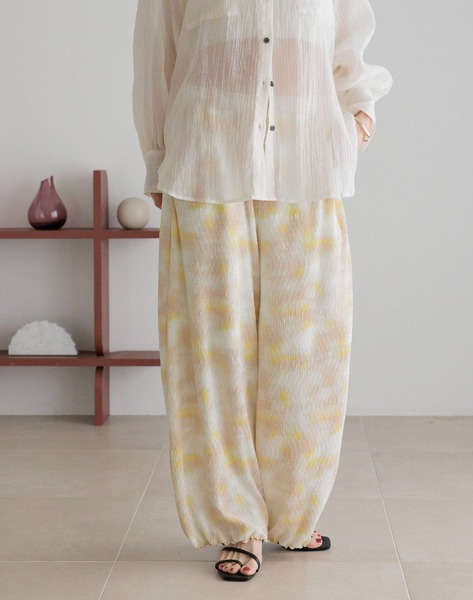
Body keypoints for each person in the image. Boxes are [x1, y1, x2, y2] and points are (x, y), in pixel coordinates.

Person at [133, 0, 392, 582]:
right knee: (214, 353)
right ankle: (238, 523)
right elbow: (155, 57)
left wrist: (359, 121)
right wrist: (156, 158)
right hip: (206, 160)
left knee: (308, 348)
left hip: (308, 162)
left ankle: (294, 512)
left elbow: (349, 47)